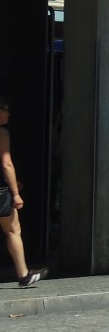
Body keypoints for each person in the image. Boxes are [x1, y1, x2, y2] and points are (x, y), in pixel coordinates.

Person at [0, 99, 49, 288]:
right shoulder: (2, 133)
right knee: (13, 229)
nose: (9, 114)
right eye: (6, 110)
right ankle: (24, 274)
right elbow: (6, 164)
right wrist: (16, 193)